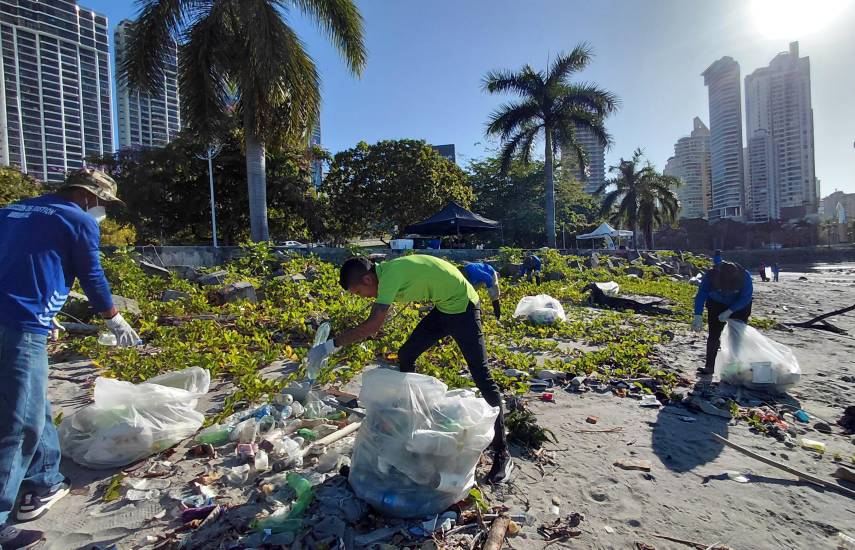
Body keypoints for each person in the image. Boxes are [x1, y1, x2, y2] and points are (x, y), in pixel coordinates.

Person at [0, 168, 140, 549]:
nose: (103, 211)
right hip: (21, 324)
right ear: (90, 197)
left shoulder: (14, 210)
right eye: (104, 204)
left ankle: (44, 481)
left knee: (30, 401)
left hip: (16, 316)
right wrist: (114, 317)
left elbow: (21, 262)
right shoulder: (77, 219)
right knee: (18, 423)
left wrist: (45, 309)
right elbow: (91, 274)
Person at [307, 255, 513, 484]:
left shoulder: (390, 276)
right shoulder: (384, 275)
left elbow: (373, 326)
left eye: (358, 292)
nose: (361, 297)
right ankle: (413, 419)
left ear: (367, 279)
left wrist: (329, 346)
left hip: (464, 306)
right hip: (444, 307)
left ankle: (502, 453)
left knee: (482, 375)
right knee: (406, 355)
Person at [691, 260, 753, 375]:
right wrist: (697, 315)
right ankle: (709, 366)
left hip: (740, 305)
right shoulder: (711, 275)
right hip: (716, 303)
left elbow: (746, 297)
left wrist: (730, 311)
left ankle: (734, 366)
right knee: (714, 335)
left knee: (736, 337)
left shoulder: (745, 277)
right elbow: (701, 294)